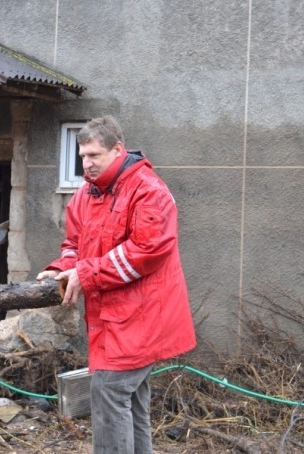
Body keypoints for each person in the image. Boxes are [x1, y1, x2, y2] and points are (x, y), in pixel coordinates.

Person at [36, 115, 196, 453]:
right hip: (114, 319)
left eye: (94, 155)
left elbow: (148, 249)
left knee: (109, 391)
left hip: (143, 316)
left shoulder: (149, 190)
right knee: (131, 398)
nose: (87, 164)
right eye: (82, 156)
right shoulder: (85, 196)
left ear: (118, 150)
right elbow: (74, 246)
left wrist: (87, 274)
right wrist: (62, 268)